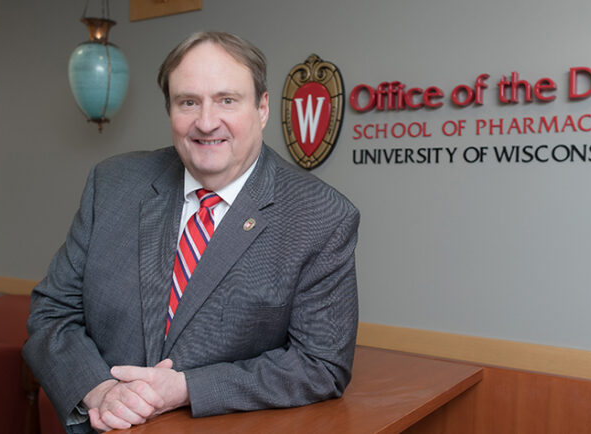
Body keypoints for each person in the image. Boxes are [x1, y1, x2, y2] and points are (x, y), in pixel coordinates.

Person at [23, 31, 359, 433]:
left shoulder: (322, 215)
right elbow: (52, 312)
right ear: (170, 111)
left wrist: (185, 388)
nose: (205, 122)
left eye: (227, 100)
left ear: (263, 107)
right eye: (188, 102)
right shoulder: (112, 184)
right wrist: (100, 391)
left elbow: (320, 365)